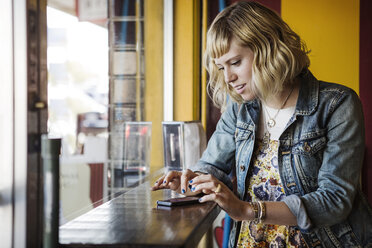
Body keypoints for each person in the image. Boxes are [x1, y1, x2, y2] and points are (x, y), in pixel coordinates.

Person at [151, 1, 372, 247]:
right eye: (221, 67)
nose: (228, 78)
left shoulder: (337, 104)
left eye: (235, 62)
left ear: (269, 49)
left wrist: (248, 210)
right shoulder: (239, 109)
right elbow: (212, 167)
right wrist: (191, 181)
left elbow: (334, 201)